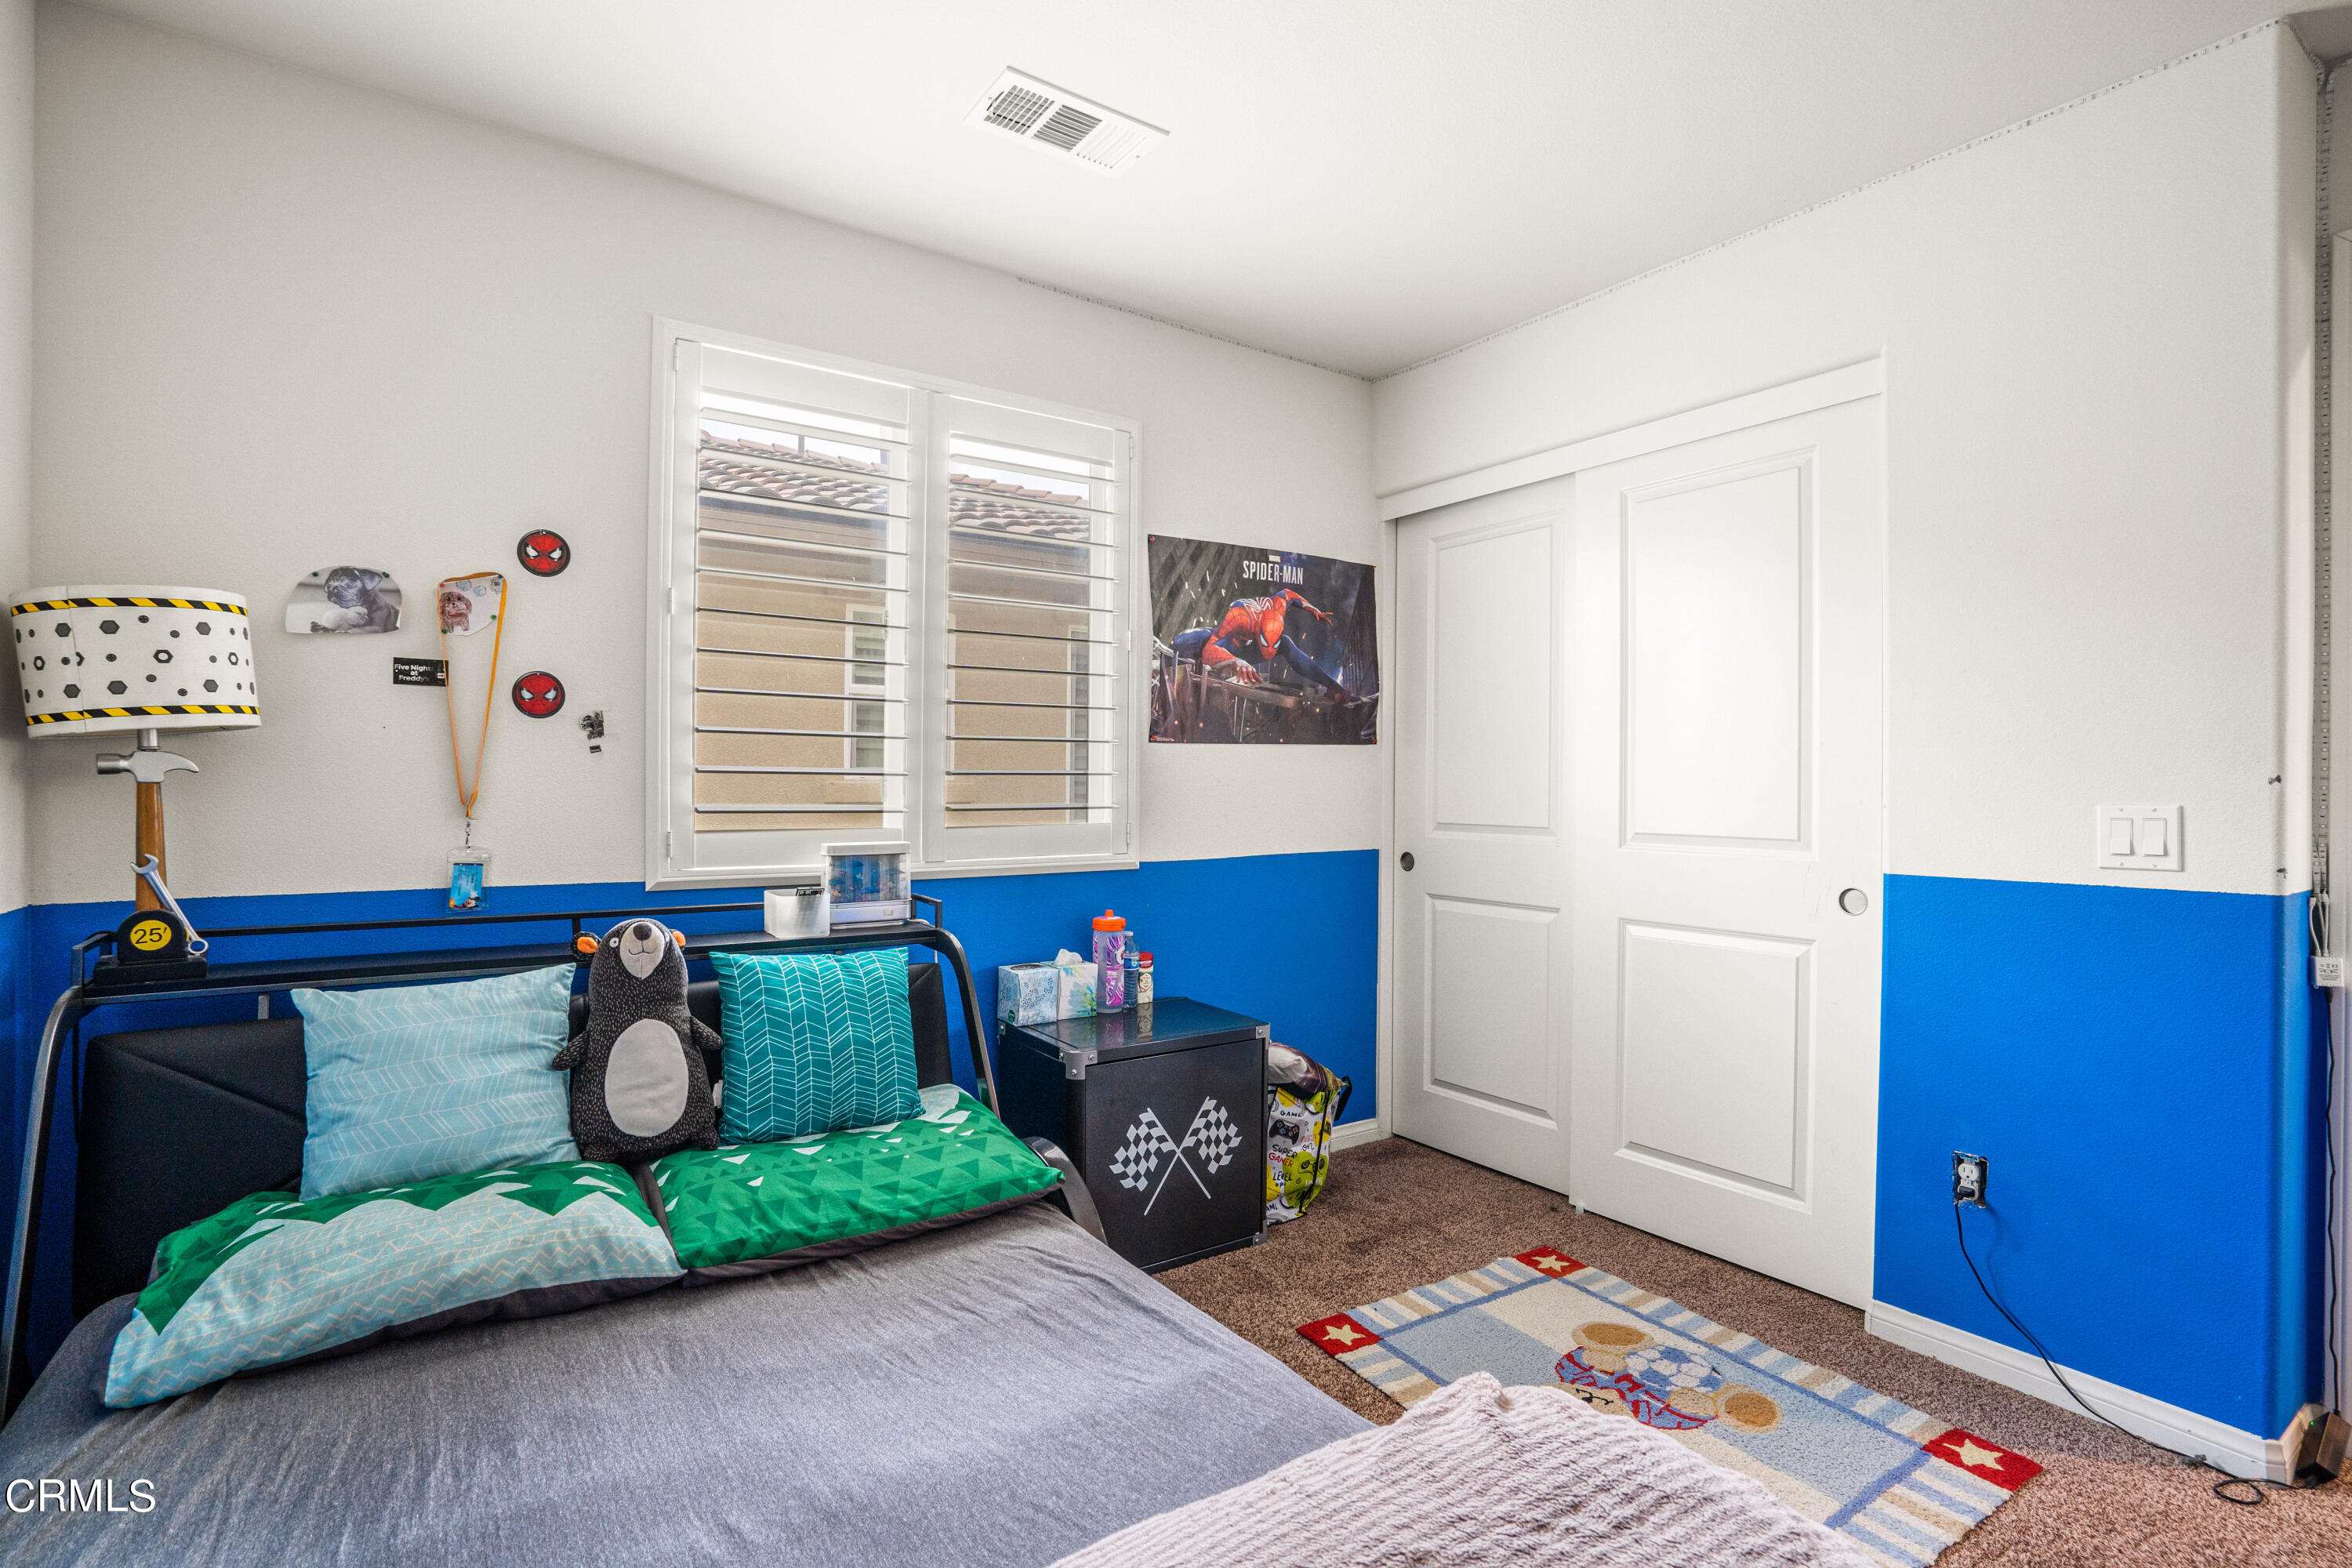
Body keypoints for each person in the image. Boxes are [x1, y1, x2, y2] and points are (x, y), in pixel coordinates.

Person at [1171, 588, 1353, 698]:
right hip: (1231, 645)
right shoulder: (1239, 617)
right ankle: (1170, 667)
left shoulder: (1279, 606)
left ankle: (1334, 687)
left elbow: (1290, 595)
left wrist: (1314, 610)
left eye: (1272, 646)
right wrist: (1236, 661)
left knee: (1286, 644)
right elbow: (1210, 649)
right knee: (1186, 640)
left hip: (1250, 645)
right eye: (1268, 643)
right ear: (1258, 630)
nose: (1270, 653)